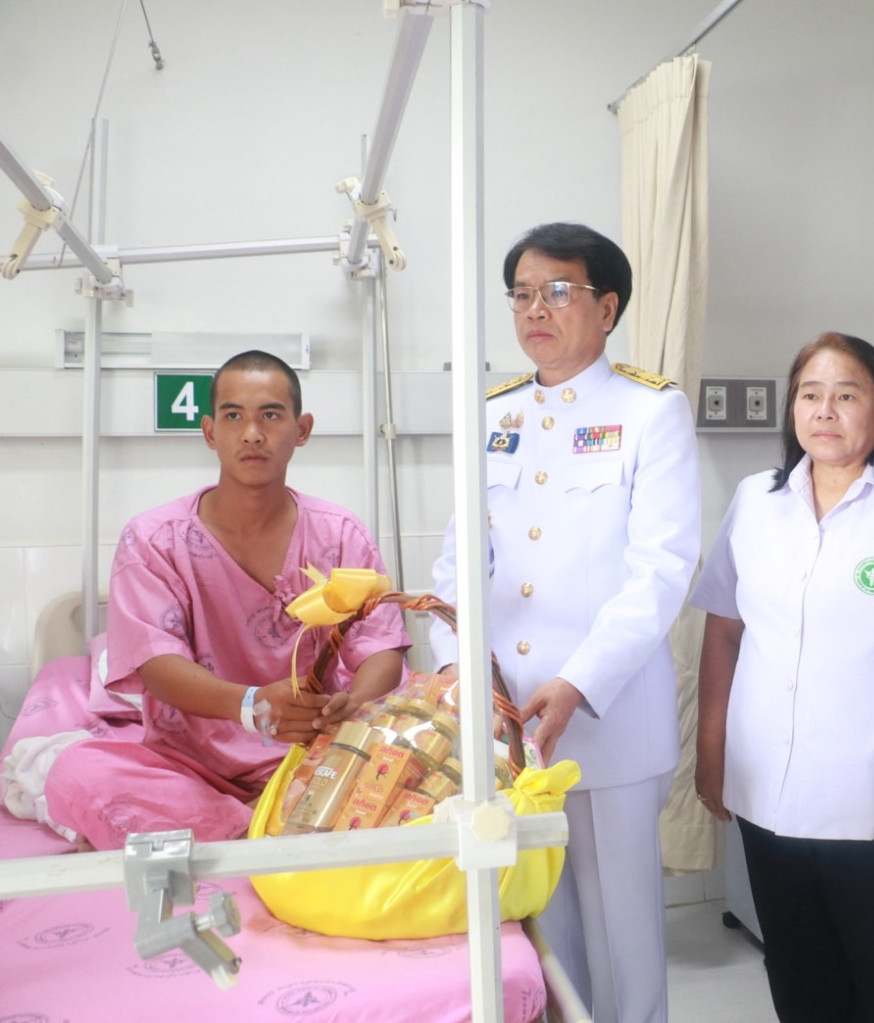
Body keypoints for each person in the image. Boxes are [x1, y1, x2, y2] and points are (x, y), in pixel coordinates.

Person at [429, 222, 699, 1023]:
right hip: (507, 718)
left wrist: (578, 681)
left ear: (606, 308)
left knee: (622, 936)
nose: (533, 310)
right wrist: (458, 665)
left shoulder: (650, 410)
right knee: (539, 927)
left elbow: (661, 570)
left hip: (606, 720)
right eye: (521, 294)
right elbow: (457, 565)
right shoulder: (493, 413)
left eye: (556, 292)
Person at [691, 332, 874, 1023]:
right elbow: (724, 628)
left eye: (846, 395)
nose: (825, 410)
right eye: (810, 394)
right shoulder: (757, 499)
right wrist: (711, 746)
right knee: (797, 974)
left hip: (873, 800)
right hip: (765, 789)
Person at [43, 350, 410, 850]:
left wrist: (352, 708)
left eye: (271, 415)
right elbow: (156, 663)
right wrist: (251, 704)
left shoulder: (341, 534)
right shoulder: (154, 541)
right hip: (190, 769)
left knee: (424, 763)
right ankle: (259, 827)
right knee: (76, 772)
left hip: (317, 755)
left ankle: (230, 830)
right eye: (234, 416)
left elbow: (380, 646)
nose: (252, 433)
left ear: (301, 429)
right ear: (210, 431)